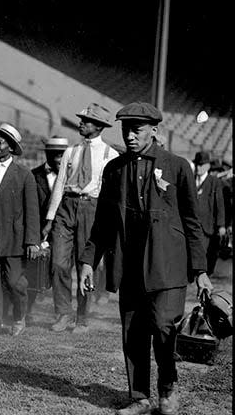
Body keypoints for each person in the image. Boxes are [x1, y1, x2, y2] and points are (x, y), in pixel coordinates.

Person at [79, 102, 212, 415]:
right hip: (130, 269)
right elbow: (102, 223)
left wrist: (200, 271)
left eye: (136, 129)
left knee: (165, 328)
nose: (130, 135)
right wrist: (88, 261)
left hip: (168, 268)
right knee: (134, 334)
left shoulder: (178, 167)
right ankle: (139, 397)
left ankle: (167, 388)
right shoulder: (114, 170)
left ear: (155, 130)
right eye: (126, 129)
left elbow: (193, 222)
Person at [42, 103, 119, 333]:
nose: (81, 123)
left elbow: (111, 193)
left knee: (85, 265)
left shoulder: (110, 154)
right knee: (58, 263)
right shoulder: (71, 151)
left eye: (86, 121)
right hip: (67, 206)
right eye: (81, 120)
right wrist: (49, 218)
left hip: (92, 208)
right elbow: (59, 185)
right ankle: (63, 313)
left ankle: (81, 318)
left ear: (98, 127)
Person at [0, 123, 40, 343]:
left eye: (0, 141)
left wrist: (32, 241)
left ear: (11, 147)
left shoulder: (24, 175)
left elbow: (32, 211)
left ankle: (19, 316)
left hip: (14, 240)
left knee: (14, 282)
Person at [27, 136, 68, 321]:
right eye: (56, 155)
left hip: (63, 230)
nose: (60, 160)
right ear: (48, 155)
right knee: (34, 270)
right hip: (40, 229)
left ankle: (62, 313)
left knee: (60, 270)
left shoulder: (71, 177)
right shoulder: (33, 175)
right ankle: (26, 311)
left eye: (62, 155)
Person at [192, 151, 226, 275]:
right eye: (197, 165)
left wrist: (221, 225)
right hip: (192, 223)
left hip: (207, 225)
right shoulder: (191, 179)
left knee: (205, 252)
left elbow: (220, 205)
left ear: (207, 166)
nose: (198, 168)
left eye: (201, 165)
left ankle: (203, 274)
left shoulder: (214, 182)